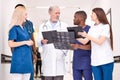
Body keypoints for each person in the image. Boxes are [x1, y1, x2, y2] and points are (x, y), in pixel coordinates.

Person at [77, 8, 114, 80]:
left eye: (92, 13)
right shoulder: (92, 28)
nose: (90, 15)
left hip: (106, 60)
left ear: (98, 14)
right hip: (95, 61)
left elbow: (100, 42)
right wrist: (73, 37)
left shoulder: (105, 26)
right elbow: (85, 41)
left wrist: (86, 35)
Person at [37, 5, 68, 80]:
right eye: (56, 13)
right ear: (50, 13)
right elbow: (38, 41)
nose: (58, 15)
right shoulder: (43, 26)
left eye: (59, 13)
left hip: (59, 59)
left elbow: (67, 42)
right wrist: (42, 41)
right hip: (48, 60)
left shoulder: (64, 26)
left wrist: (63, 52)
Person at [8, 6, 34, 80]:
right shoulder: (14, 28)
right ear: (20, 15)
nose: (27, 16)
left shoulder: (24, 28)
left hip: (27, 60)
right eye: (25, 14)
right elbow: (11, 44)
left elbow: (28, 39)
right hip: (19, 60)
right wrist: (25, 42)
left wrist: (30, 41)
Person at [14, 4, 37, 80]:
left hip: (29, 54)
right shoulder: (14, 25)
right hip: (19, 55)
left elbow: (32, 38)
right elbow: (12, 42)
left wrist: (34, 53)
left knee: (30, 76)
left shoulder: (29, 24)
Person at [70, 11, 93, 80]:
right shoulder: (73, 30)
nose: (73, 19)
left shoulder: (89, 29)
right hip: (76, 61)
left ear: (81, 18)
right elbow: (72, 45)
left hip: (86, 61)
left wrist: (79, 46)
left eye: (75, 17)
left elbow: (91, 47)